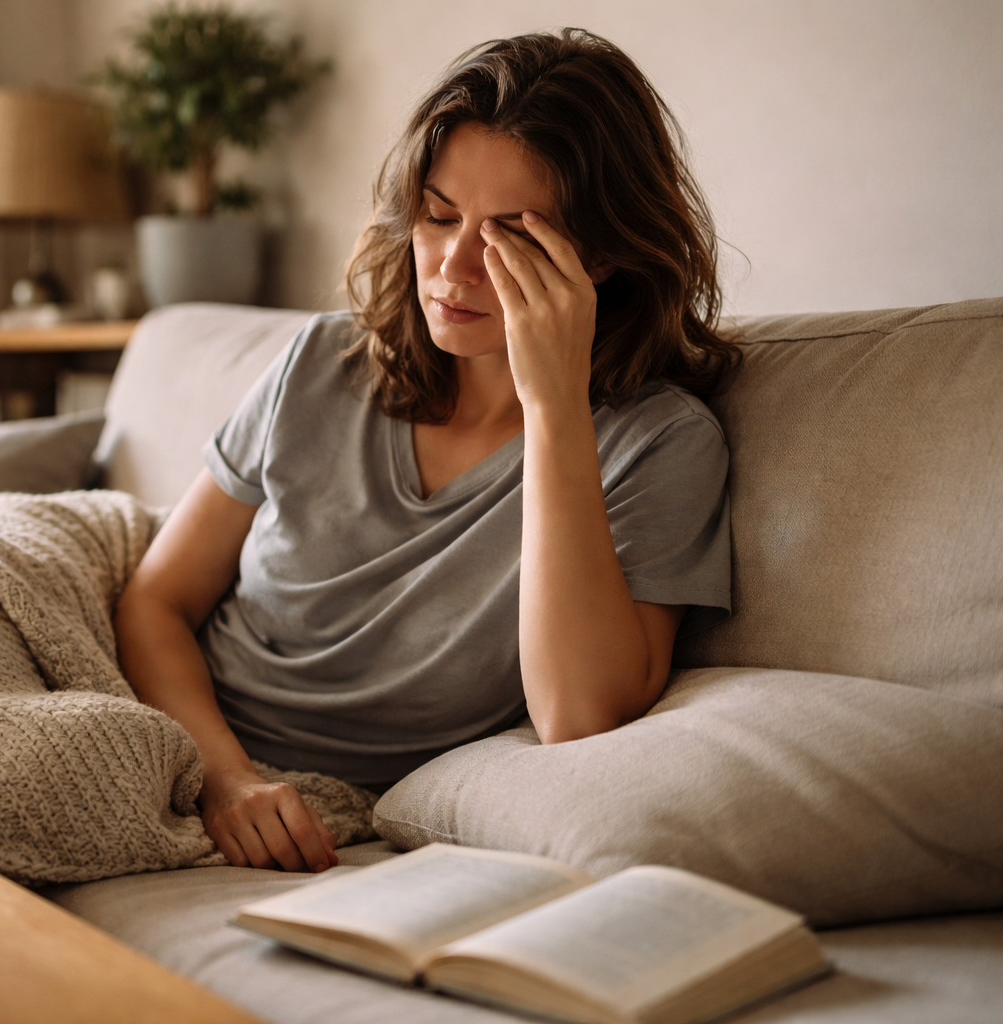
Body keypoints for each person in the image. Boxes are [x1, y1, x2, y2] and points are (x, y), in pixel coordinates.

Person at [114, 29, 739, 877]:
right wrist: (225, 780)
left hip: (335, 796)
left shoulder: (661, 444)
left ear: (598, 254)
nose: (455, 264)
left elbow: (579, 718)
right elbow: (156, 600)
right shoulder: (321, 363)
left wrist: (554, 407)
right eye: (439, 215)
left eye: (513, 235)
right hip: (192, 738)